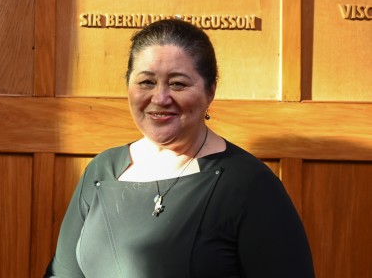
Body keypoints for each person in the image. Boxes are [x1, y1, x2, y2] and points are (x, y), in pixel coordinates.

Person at [45, 18, 314, 278]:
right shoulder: (101, 170)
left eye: (178, 84)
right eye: (146, 82)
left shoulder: (250, 184)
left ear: (210, 91)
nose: (160, 98)